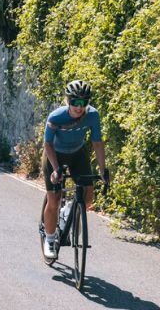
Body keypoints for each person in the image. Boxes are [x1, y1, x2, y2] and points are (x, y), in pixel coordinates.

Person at [40, 80, 110, 260]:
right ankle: (49, 239)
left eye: (84, 103)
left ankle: (68, 211)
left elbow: (97, 142)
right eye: (75, 102)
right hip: (54, 154)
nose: (79, 107)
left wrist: (103, 170)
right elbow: (47, 144)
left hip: (78, 153)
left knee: (87, 199)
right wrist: (56, 169)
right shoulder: (56, 117)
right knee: (54, 199)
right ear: (67, 100)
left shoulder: (93, 115)